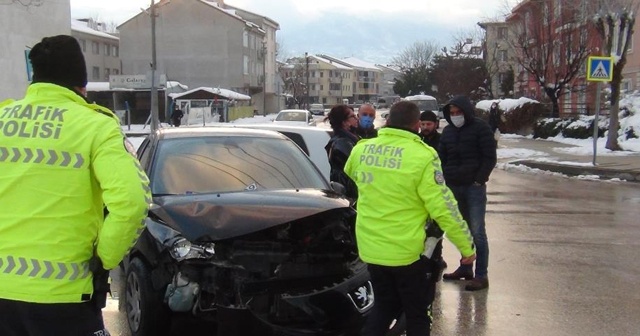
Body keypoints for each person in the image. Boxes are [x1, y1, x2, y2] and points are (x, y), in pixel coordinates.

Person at [0, 35, 150, 335]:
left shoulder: (3, 120)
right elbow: (133, 203)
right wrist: (104, 258)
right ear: (81, 85)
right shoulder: (95, 125)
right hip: (65, 297)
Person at [344, 101, 476, 336]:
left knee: (383, 307)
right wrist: (466, 247)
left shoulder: (361, 149)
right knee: (417, 314)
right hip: (408, 254)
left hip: (371, 248)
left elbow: (350, 173)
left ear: (387, 121)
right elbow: (444, 208)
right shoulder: (423, 156)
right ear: (416, 125)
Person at [439, 95, 497, 291]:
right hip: (454, 187)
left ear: (466, 111)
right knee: (462, 231)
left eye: (458, 112)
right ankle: (465, 267)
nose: (455, 116)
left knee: (477, 232)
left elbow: (490, 157)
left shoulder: (481, 128)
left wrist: (479, 179)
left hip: (474, 188)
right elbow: (442, 158)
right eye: (452, 113)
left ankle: (481, 275)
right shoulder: (447, 132)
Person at [324, 104, 360, 201]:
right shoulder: (342, 142)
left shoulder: (349, 139)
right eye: (352, 116)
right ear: (344, 122)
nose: (356, 119)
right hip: (347, 195)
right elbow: (356, 166)